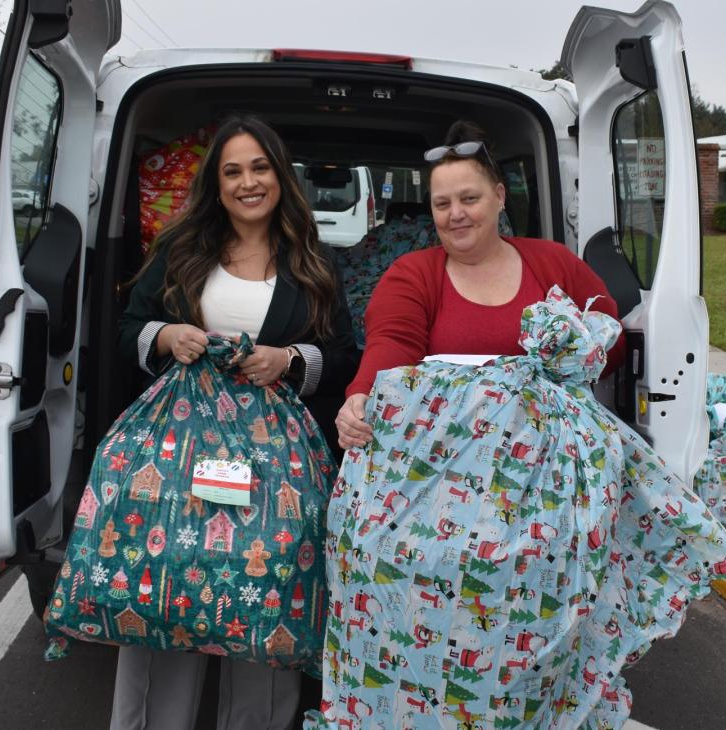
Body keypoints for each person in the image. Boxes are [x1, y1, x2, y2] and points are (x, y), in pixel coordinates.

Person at [115, 115, 359, 730]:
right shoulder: (179, 249)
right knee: (167, 590)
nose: (248, 182)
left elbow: (346, 355)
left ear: (280, 176)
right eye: (232, 171)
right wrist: (167, 334)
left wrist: (290, 358)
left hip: (272, 463)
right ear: (215, 184)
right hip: (178, 455)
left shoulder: (314, 262)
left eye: (259, 167)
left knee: (265, 599)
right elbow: (122, 330)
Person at [335, 120, 622, 448]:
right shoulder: (411, 273)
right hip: (441, 456)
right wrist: (361, 395)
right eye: (442, 204)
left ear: (499, 196)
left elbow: (609, 337)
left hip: (550, 457)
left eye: (469, 199)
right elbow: (393, 344)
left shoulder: (554, 262)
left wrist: (568, 356)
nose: (455, 213)